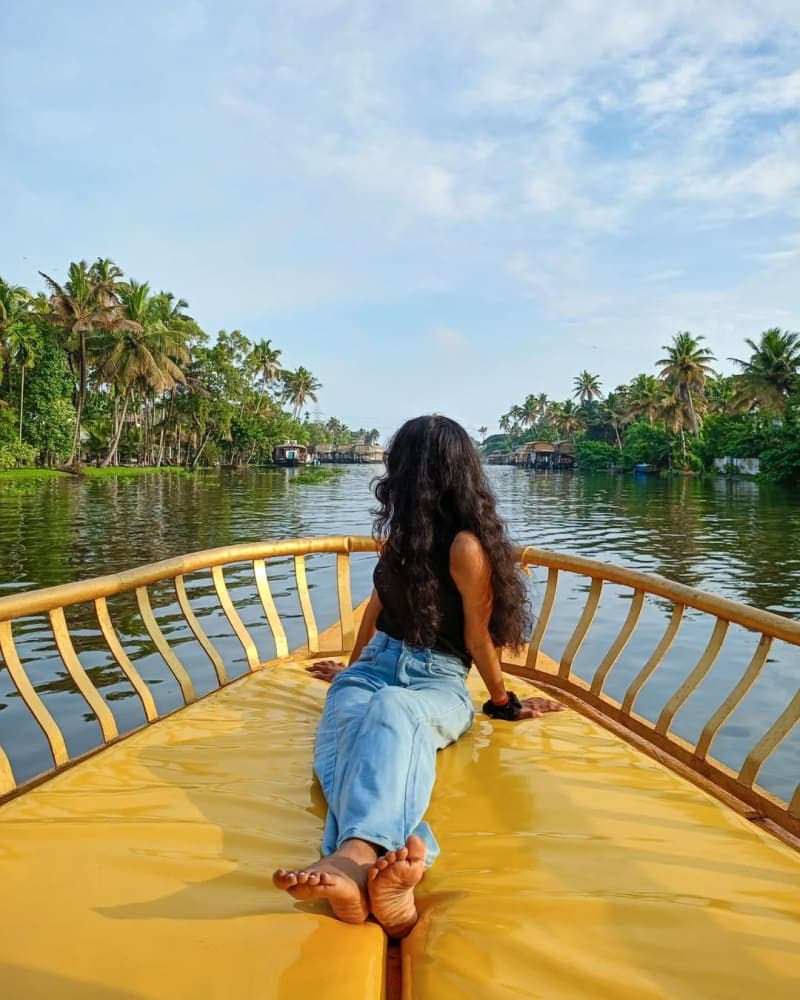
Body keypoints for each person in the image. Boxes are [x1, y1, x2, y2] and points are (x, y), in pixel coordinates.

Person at [273, 415, 563, 937]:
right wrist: (352, 667)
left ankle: (354, 857)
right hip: (377, 665)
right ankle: (379, 870)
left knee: (393, 710)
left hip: (436, 681)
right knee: (352, 710)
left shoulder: (465, 547)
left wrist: (504, 702)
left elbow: (478, 638)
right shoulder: (403, 536)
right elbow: (375, 609)